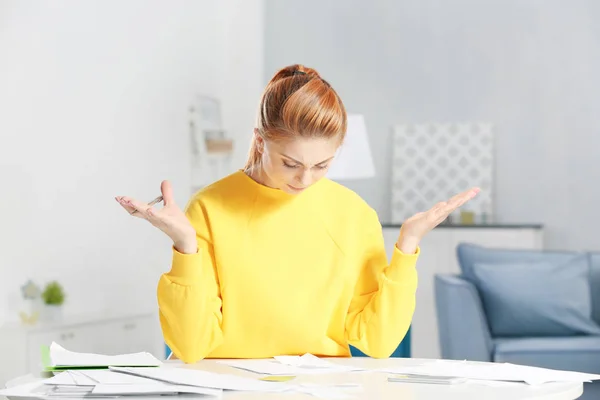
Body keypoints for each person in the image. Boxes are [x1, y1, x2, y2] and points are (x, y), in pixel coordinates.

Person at [116, 64, 479, 364]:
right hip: (226, 386)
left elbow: (378, 342)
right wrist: (185, 248)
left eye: (322, 165)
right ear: (260, 141)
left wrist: (407, 249)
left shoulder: (354, 215)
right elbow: (191, 347)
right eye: (290, 163)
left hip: (321, 388)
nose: (305, 179)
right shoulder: (210, 208)